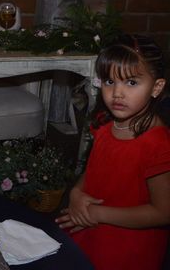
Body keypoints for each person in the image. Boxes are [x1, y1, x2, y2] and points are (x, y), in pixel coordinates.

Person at [56, 34, 170, 269]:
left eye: (131, 83)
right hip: (90, 229)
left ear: (156, 87)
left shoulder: (157, 144)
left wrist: (98, 214)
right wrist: (76, 193)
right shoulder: (105, 123)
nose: (117, 93)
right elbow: (94, 169)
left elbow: (163, 212)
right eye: (109, 82)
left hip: (128, 247)